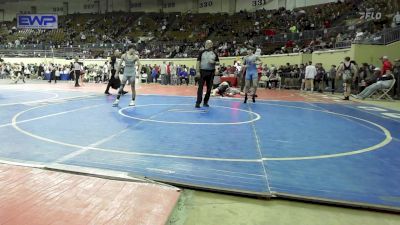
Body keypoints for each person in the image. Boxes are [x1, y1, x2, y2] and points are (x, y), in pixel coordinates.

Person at [195, 40, 219, 108]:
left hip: (211, 72)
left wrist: (215, 67)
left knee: (209, 88)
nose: (207, 44)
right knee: (200, 88)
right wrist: (197, 72)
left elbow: (217, 63)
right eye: (206, 43)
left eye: (209, 43)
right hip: (202, 72)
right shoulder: (201, 52)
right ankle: (198, 102)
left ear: (211, 44)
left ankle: (205, 102)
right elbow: (198, 62)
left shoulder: (214, 53)